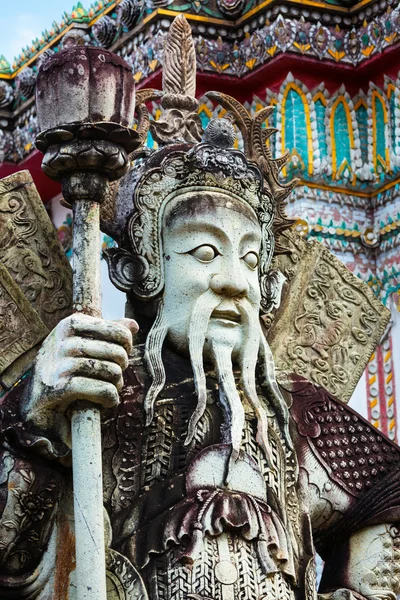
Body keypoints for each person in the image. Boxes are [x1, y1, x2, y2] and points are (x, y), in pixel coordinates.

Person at [1, 16, 400, 600]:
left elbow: (390, 489)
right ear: (143, 270)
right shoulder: (96, 402)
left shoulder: (296, 416)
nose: (235, 281)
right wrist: (36, 410)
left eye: (250, 257)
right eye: (206, 251)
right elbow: (10, 560)